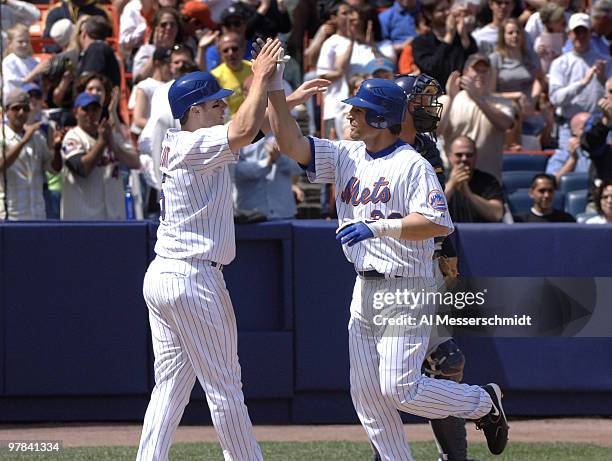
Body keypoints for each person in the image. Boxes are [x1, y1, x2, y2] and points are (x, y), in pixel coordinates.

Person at [266, 67, 509, 459]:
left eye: (358, 111)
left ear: (380, 118)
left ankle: (482, 402)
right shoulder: (346, 154)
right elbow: (290, 140)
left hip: (406, 284)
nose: (350, 115)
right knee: (368, 399)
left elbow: (435, 223)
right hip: (364, 288)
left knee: (400, 388)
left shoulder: (413, 164)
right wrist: (275, 88)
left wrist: (379, 228)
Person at [136, 38, 282, 461]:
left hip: (166, 274)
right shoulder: (187, 143)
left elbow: (250, 127)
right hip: (192, 277)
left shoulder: (193, 142)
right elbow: (241, 129)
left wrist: (280, 93)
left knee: (171, 386)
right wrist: (257, 77)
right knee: (224, 387)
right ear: (193, 112)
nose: (223, 107)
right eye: (215, 104)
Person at [61, 92, 140, 220]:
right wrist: (102, 142)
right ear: (76, 112)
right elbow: (82, 168)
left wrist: (113, 145)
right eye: (85, 109)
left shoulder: (110, 135)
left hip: (113, 216)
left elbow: (135, 163)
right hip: (83, 220)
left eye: (95, 109)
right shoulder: (72, 137)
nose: (91, 114)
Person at [438, 54, 515, 181]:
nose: (480, 75)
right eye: (476, 70)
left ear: (491, 75)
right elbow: (435, 132)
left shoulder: (503, 103)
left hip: (488, 179)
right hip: (452, 177)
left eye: (484, 71)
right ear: (465, 72)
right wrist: (451, 98)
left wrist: (477, 98)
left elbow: (505, 125)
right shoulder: (448, 100)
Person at [549, 13, 612, 150]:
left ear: (590, 34)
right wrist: (581, 84)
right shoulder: (559, 64)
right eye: (577, 32)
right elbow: (555, 98)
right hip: (569, 128)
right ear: (569, 34)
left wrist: (602, 81)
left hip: (599, 126)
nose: (581, 36)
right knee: (569, 166)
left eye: (584, 31)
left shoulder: (606, 61)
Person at [0, 90, 62, 220]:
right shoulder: (1, 135)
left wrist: (57, 149)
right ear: (6, 111)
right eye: (16, 108)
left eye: (25, 108)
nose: (21, 113)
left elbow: (54, 169)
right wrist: (23, 141)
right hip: (9, 215)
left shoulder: (37, 137)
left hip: (36, 214)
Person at [412, 0, 478, 89]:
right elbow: (430, 68)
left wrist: (464, 35)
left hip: (462, 92)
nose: (447, 13)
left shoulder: (461, 37)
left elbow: (474, 59)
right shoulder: (420, 42)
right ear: (428, 14)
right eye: (441, 10)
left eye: (448, 8)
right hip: (435, 96)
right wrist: (448, 37)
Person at [445, 135, 505, 223]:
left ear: (475, 156)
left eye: (469, 155)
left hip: (479, 234)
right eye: (459, 155)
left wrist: (469, 194)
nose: (464, 159)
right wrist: (451, 184)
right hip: (447, 234)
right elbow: (430, 210)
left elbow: (497, 214)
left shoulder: (488, 181)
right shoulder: (438, 178)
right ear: (450, 157)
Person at [211, 32, 253, 117]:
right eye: (225, 50)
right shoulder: (215, 77)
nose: (231, 53)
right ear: (220, 54)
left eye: (234, 48)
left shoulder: (254, 69)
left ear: (243, 49)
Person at [546, 112, 591, 184]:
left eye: (593, 128)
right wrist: (572, 160)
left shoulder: (606, 152)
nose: (590, 131)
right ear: (574, 132)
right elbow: (552, 183)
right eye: (585, 128)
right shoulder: (562, 155)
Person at [2, 24, 39, 103]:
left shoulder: (34, 61)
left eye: (27, 41)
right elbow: (16, 85)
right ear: (10, 43)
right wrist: (36, 72)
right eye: (20, 41)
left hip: (33, 102)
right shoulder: (8, 61)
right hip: (15, 104)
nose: (25, 44)